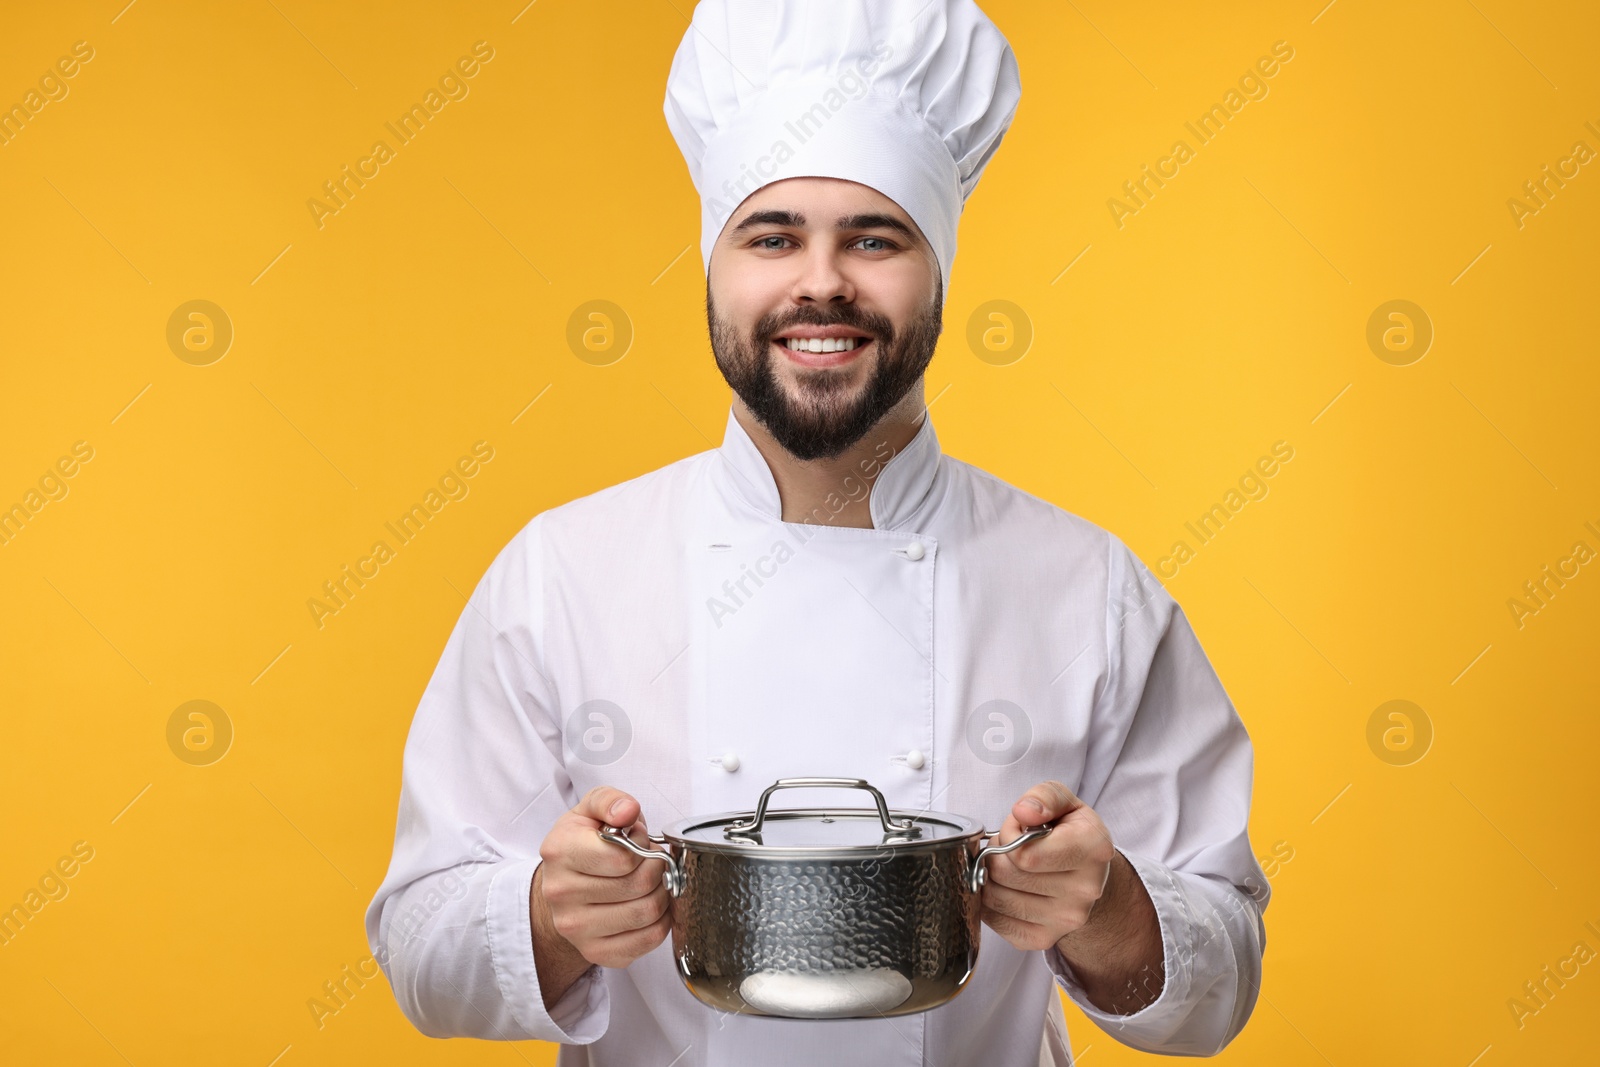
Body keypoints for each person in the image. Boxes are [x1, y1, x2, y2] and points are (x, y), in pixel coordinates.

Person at [364, 2, 1269, 1063]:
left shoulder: (1086, 587)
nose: (820, 282)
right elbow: (416, 942)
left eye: (874, 237)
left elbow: (1225, 976)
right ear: (713, 268)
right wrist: (547, 915)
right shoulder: (561, 572)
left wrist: (1111, 906)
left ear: (937, 270)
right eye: (772, 235)